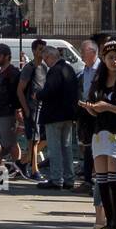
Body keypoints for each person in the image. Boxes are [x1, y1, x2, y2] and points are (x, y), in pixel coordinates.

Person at [78, 39, 116, 229]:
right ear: (103, 59)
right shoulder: (98, 81)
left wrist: (108, 107)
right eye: (110, 58)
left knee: (115, 179)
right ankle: (109, 222)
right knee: (102, 180)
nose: (114, 61)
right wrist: (92, 109)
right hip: (100, 132)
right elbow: (97, 111)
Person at [37, 44, 78, 189]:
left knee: (54, 148)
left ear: (49, 57)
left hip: (54, 115)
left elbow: (49, 91)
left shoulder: (55, 71)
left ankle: (56, 179)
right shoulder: (69, 69)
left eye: (45, 59)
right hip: (68, 115)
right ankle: (69, 178)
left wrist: (38, 94)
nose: (44, 62)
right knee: (66, 148)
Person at [0, 44, 24, 177]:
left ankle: (17, 167)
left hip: (7, 112)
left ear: (7, 56)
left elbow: (17, 93)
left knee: (10, 142)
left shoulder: (12, 73)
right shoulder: (1, 71)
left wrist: (17, 110)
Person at [16, 38, 48, 180]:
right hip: (32, 108)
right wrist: (26, 110)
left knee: (42, 139)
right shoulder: (29, 68)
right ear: (34, 51)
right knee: (33, 140)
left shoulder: (44, 67)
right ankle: (34, 169)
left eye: (44, 49)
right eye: (40, 49)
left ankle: (23, 162)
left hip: (42, 109)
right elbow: (20, 90)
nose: (42, 52)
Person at [76, 39, 100, 187]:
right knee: (87, 145)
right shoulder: (85, 69)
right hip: (85, 111)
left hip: (98, 111)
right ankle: (87, 179)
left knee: (95, 145)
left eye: (83, 52)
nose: (81, 55)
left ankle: (92, 179)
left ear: (92, 52)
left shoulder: (101, 69)